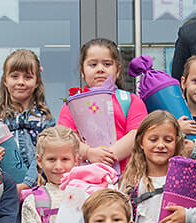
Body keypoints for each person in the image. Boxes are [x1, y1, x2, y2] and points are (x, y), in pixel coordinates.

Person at [57, 38, 147, 166]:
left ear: (118, 70)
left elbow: (137, 134)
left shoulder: (131, 101)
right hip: (84, 180)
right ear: (82, 71)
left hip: (126, 179)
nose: (100, 69)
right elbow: (65, 138)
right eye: (93, 65)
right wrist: (89, 153)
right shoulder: (71, 106)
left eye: (107, 64)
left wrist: (107, 156)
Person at [0, 48, 54, 194]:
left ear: (37, 81)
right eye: (14, 76)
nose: (21, 82)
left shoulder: (44, 120)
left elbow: (45, 154)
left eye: (27, 77)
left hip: (36, 187)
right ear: (5, 81)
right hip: (2, 189)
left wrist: (27, 184)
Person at [19, 125, 81, 223]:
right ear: (39, 161)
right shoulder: (34, 200)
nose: (58, 166)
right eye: (51, 159)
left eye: (65, 159)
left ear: (76, 160)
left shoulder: (87, 194)